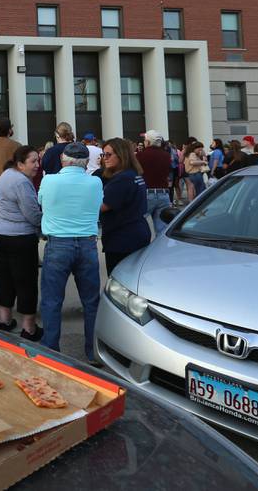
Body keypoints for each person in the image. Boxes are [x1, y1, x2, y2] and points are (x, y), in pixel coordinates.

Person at [38, 142, 103, 363]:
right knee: (91, 301)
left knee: (52, 300)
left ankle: (50, 350)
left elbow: (41, 203)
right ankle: (93, 352)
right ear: (86, 163)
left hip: (58, 244)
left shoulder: (49, 180)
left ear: (63, 160)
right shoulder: (95, 182)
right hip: (87, 244)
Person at [0, 146, 43, 341]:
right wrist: (43, 225)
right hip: (20, 237)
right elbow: (32, 214)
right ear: (20, 164)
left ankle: (4, 320)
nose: (37, 165)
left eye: (38, 160)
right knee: (26, 281)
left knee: (6, 277)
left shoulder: (6, 175)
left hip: (0, 232)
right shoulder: (21, 182)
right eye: (33, 161)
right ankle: (28, 328)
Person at [99, 138, 151, 274]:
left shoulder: (122, 179)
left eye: (108, 154)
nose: (105, 158)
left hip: (122, 238)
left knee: (119, 280)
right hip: (135, 232)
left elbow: (103, 206)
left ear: (121, 155)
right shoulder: (133, 174)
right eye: (103, 154)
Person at [136, 130, 172, 235]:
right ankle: (161, 249)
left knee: (139, 222)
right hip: (164, 193)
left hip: (147, 193)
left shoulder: (140, 155)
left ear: (148, 142)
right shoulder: (166, 156)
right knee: (162, 228)